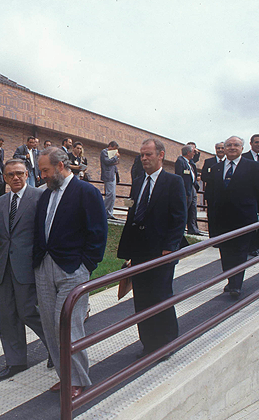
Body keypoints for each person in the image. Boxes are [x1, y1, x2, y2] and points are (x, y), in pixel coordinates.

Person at [33, 147, 107, 398]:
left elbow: (98, 232)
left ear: (61, 165)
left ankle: (78, 380)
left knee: (66, 325)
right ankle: (65, 377)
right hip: (45, 266)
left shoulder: (86, 192)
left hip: (73, 269)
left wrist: (87, 264)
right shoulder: (45, 195)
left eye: (45, 170)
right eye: (40, 170)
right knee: (49, 325)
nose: (42, 175)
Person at [0, 159, 50, 380]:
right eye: (10, 175)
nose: (16, 178)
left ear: (27, 173)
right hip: (5, 267)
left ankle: (56, 349)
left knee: (30, 312)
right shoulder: (1, 201)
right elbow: (0, 230)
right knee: (8, 316)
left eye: (19, 173)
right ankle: (15, 361)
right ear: (4, 177)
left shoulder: (39, 197)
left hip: (28, 267)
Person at [117, 138, 186, 357]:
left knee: (160, 296)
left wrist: (169, 248)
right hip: (139, 251)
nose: (144, 158)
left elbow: (179, 218)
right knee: (142, 298)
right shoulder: (138, 182)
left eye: (148, 154)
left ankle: (166, 343)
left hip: (161, 252)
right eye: (142, 155)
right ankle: (148, 343)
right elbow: (132, 212)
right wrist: (128, 250)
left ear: (161, 155)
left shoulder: (173, 182)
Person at [207, 136, 259, 298]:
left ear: (242, 148)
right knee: (226, 253)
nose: (232, 148)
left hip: (244, 219)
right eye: (228, 145)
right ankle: (230, 280)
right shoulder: (216, 168)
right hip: (222, 220)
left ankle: (236, 284)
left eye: (236, 145)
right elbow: (211, 196)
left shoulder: (253, 167)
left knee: (240, 252)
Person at [175, 145, 201, 235]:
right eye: (193, 151)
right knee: (184, 209)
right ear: (189, 152)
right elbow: (179, 176)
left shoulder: (190, 162)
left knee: (192, 209)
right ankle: (180, 229)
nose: (194, 153)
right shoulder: (180, 161)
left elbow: (196, 159)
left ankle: (193, 229)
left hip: (192, 187)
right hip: (186, 189)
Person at [100, 141, 121, 220]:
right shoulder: (104, 152)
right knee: (110, 194)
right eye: (114, 149)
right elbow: (107, 161)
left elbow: (115, 163)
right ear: (110, 146)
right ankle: (103, 211)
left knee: (113, 195)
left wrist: (116, 158)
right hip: (108, 175)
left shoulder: (112, 154)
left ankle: (109, 212)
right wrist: (115, 157)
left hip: (113, 175)